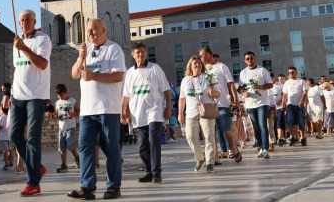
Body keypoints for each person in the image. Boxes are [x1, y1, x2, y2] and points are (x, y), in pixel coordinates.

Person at [68, 18, 126, 200]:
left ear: (103, 30)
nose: (90, 33)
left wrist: (94, 75)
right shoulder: (86, 51)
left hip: (108, 108)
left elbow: (117, 76)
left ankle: (113, 186)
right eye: (88, 31)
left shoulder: (114, 49)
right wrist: (80, 59)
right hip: (87, 109)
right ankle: (87, 186)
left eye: (94, 30)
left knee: (112, 147)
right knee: (85, 147)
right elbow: (74, 73)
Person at [10, 9, 51, 197]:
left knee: (33, 138)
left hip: (36, 96)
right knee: (14, 136)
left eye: (27, 19)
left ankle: (33, 182)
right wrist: (12, 91)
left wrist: (25, 48)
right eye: (21, 20)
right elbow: (18, 70)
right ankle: (37, 168)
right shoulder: (17, 42)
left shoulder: (42, 40)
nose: (24, 22)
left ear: (34, 22)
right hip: (18, 96)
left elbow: (42, 64)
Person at [122, 42, 171, 183]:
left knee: (153, 139)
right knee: (143, 144)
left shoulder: (155, 68)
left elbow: (166, 90)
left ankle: (157, 172)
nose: (140, 54)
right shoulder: (130, 73)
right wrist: (124, 110)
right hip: (138, 112)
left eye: (142, 51)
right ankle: (148, 171)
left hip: (154, 110)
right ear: (133, 55)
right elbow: (126, 95)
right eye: (137, 52)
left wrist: (167, 108)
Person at [198, 47, 242, 163]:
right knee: (214, 131)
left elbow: (231, 84)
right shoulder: (203, 70)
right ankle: (216, 157)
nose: (200, 59)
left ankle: (233, 148)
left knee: (225, 128)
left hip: (223, 103)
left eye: (201, 56)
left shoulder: (222, 67)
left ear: (208, 55)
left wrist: (235, 100)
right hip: (209, 105)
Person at [178, 56, 221, 174]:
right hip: (191, 112)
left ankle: (210, 163)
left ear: (202, 65)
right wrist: (180, 114)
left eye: (199, 63)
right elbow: (182, 99)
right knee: (190, 137)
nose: (197, 65)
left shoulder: (209, 77)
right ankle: (200, 158)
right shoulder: (185, 80)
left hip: (206, 111)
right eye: (194, 63)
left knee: (209, 137)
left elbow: (218, 94)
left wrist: (213, 93)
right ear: (190, 66)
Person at [238, 51, 273, 158]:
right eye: (247, 58)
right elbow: (240, 87)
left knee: (262, 124)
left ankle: (266, 148)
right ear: (245, 61)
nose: (250, 60)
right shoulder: (243, 72)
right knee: (255, 126)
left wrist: (260, 87)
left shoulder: (262, 70)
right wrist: (243, 93)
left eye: (251, 58)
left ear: (255, 58)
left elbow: (270, 84)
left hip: (262, 102)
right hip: (250, 104)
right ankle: (261, 147)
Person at [54, 84, 80, 173]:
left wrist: (73, 114)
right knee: (62, 147)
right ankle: (64, 165)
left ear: (66, 92)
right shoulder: (57, 103)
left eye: (61, 95)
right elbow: (56, 115)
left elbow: (79, 111)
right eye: (58, 95)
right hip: (61, 127)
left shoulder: (72, 101)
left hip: (70, 126)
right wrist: (51, 115)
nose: (60, 97)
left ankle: (76, 157)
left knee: (69, 143)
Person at [281, 67, 308, 146]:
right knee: (289, 121)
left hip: (299, 105)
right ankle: (293, 137)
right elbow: (285, 95)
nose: (291, 74)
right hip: (290, 105)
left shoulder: (301, 81)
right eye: (289, 73)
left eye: (292, 72)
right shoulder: (287, 83)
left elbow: (305, 92)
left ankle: (303, 138)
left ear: (296, 72)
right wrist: (283, 104)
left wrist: (303, 101)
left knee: (301, 122)